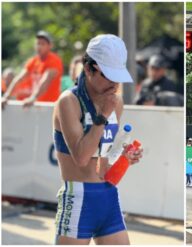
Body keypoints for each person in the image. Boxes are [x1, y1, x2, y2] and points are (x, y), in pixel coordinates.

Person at [53, 34, 143, 244]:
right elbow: (82, 158)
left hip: (108, 196)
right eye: (108, 76)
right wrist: (102, 116)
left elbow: (103, 165)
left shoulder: (116, 102)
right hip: (77, 199)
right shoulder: (69, 101)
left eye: (117, 76)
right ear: (88, 69)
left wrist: (124, 158)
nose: (114, 84)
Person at [2, 30, 63, 108]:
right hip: (35, 105)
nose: (39, 46)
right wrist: (6, 96)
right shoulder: (33, 61)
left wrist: (33, 97)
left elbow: (45, 81)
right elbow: (20, 78)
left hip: (50, 106)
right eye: (38, 43)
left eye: (43, 44)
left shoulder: (54, 60)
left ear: (50, 46)